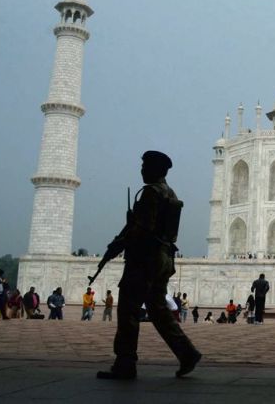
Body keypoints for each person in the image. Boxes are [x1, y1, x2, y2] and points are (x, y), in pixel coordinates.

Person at [96, 151, 201, 380]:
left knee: (128, 311)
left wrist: (118, 244)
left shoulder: (152, 193)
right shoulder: (169, 192)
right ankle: (187, 353)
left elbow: (143, 228)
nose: (141, 170)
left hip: (145, 259)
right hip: (163, 258)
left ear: (156, 170)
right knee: (158, 310)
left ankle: (125, 363)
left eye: (145, 166)